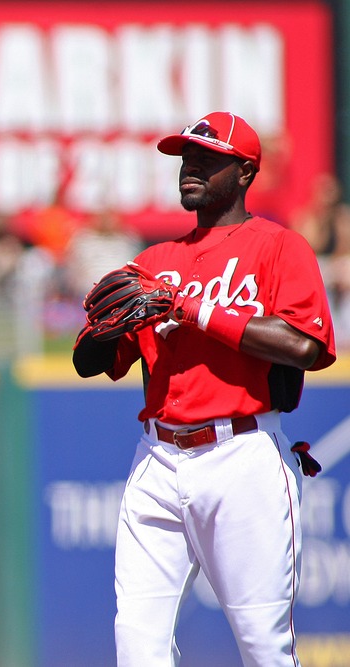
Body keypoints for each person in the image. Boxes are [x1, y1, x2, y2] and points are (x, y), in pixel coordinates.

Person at [72, 112, 337, 666]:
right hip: (158, 459)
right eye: (184, 159)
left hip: (243, 455)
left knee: (264, 645)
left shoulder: (279, 247)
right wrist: (99, 327)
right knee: (138, 644)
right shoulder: (153, 262)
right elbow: (92, 361)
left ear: (243, 173)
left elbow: (304, 346)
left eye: (206, 160)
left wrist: (189, 308)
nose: (189, 168)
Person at [63, 208, 143, 300]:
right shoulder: (83, 240)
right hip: (88, 291)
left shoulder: (128, 240)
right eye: (102, 218)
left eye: (110, 218)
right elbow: (72, 270)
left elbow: (137, 267)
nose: (106, 222)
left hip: (121, 291)